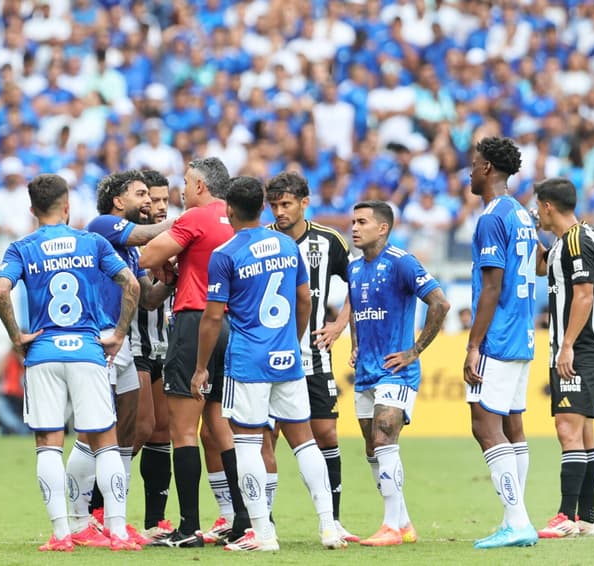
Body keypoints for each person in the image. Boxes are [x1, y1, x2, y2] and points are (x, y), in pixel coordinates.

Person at [190, 175, 345, 551]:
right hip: (287, 357)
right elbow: (305, 300)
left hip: (248, 361)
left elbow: (212, 318)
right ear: (263, 208)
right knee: (304, 441)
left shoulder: (225, 254)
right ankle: (329, 527)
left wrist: (200, 367)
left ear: (229, 210)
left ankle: (262, 534)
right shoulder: (286, 244)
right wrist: (291, 341)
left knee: (247, 443)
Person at [0, 173, 141, 552]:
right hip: (88, 351)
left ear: (32, 209)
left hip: (43, 351)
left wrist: (16, 337)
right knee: (106, 441)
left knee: (48, 444)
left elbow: (1, 290)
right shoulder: (91, 242)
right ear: (67, 206)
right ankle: (119, 532)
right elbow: (132, 284)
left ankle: (61, 534)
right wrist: (119, 333)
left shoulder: (21, 248)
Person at [139, 157, 250, 547]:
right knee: (221, 425)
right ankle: (243, 519)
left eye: (186, 183)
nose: (181, 191)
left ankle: (188, 528)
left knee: (183, 429)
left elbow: (148, 256)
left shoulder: (196, 217)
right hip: (233, 327)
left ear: (201, 186)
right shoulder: (236, 219)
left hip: (195, 321)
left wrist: (172, 261)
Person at [64, 169, 174, 547]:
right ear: (118, 201)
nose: (149, 201)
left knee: (127, 431)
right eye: (141, 194)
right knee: (93, 432)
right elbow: (148, 234)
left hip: (120, 340)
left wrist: (171, 281)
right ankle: (79, 519)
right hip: (98, 338)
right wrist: (194, 222)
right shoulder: (105, 225)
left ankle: (115, 518)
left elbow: (148, 297)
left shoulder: (126, 248)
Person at [347, 200, 451, 546]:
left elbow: (440, 302)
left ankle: (390, 526)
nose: (355, 227)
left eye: (362, 222)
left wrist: (415, 350)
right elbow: (357, 307)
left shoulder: (402, 262)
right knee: (372, 449)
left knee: (383, 438)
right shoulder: (354, 267)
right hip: (365, 371)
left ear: (383, 228)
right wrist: (355, 343)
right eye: (353, 221)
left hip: (396, 371)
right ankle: (404, 523)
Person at [265, 171, 357, 541]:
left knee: (325, 433)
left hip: (313, 355)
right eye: (274, 205)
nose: (280, 211)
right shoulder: (263, 239)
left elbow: (359, 282)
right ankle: (262, 521)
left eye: (286, 204)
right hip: (269, 358)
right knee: (265, 437)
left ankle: (332, 519)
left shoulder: (328, 241)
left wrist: (340, 326)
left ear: (305, 202)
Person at [462, 137, 539, 549]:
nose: (470, 172)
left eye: (475, 165)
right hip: (523, 334)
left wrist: (474, 344)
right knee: (512, 424)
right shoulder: (523, 214)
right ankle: (519, 516)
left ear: (488, 167)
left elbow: (491, 286)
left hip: (499, 335)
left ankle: (516, 520)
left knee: (484, 425)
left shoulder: (493, 217)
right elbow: (540, 264)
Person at [533, 178, 594, 538]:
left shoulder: (577, 240)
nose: (537, 212)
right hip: (576, 347)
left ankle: (565, 516)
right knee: (583, 431)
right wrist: (535, 235)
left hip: (579, 348)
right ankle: (587, 517)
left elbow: (584, 296)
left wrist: (567, 345)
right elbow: (538, 268)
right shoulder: (564, 242)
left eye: (538, 207)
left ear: (548, 205)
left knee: (567, 428)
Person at [132, 169, 176, 541]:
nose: (159, 207)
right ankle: (95, 505)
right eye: (153, 200)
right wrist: (173, 278)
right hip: (134, 346)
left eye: (164, 200)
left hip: (166, 346)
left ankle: (155, 521)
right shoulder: (129, 239)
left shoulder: (178, 237)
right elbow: (147, 297)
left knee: (163, 430)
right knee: (141, 428)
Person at [0, 347, 28, 435]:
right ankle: (22, 431)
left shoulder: (31, 357)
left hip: (27, 398)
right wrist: (6, 356)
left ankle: (25, 431)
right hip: (8, 397)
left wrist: (22, 359)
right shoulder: (6, 358)